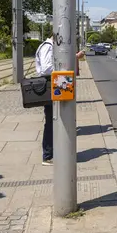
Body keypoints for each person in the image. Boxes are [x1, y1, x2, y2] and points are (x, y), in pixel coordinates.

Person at [35, 35, 85, 166]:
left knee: (58, 119)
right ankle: (48, 155)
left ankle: (55, 152)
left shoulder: (51, 47)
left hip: (57, 82)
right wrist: (68, 62)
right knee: (52, 121)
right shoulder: (47, 47)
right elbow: (46, 68)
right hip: (51, 83)